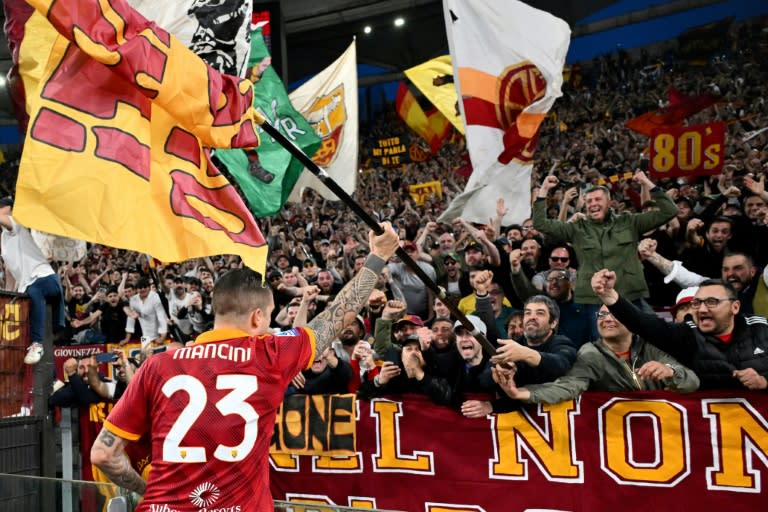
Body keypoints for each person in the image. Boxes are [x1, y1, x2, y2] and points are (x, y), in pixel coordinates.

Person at [90, 223, 400, 510]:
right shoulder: (269, 354)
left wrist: (147, 490)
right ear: (257, 317)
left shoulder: (157, 365)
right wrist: (378, 256)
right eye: (268, 316)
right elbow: (338, 316)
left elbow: (103, 454)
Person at [591, 269, 768, 390]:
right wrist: (609, 296)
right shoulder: (687, 333)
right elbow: (644, 324)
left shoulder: (761, 328)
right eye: (697, 303)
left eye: (712, 302)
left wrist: (764, 381)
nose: (702, 309)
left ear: (735, 307)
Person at [532, 172, 677, 317]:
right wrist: (544, 190)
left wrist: (647, 182)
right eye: (589, 201)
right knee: (602, 339)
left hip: (630, 296)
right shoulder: (576, 228)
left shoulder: (629, 221)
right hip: (594, 300)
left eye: (597, 199)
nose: (593, 204)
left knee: (650, 334)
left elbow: (669, 211)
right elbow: (540, 224)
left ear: (609, 202)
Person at [492, 303, 700, 404]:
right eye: (602, 314)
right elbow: (568, 386)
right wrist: (521, 393)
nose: (607, 319)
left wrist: (671, 372)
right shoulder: (590, 353)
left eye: (614, 314)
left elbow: (692, 382)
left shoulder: (650, 347)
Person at [0, 196, 66, 364]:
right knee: (25, 322)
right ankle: (52, 378)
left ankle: (37, 344)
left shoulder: (16, 224)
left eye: (2, 208)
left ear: (9, 209)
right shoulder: (4, 239)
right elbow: (9, 271)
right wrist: (9, 299)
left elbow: (4, 219)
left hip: (46, 280)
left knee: (33, 289)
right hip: (29, 286)